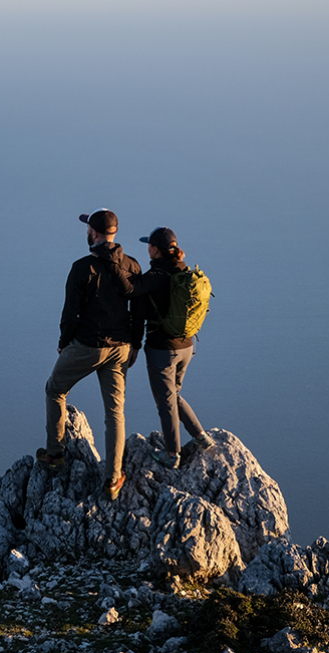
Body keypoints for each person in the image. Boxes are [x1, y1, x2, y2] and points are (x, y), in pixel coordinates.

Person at [39, 208, 143, 500]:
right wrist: (136, 344)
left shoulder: (82, 267)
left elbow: (70, 312)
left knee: (55, 390)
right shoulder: (132, 265)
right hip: (121, 348)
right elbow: (139, 308)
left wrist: (64, 342)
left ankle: (55, 454)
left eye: (88, 228)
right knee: (115, 412)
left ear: (94, 233)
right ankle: (113, 479)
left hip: (89, 346)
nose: (86, 231)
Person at [114, 226, 211, 469]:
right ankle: (201, 437)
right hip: (187, 346)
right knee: (173, 396)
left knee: (165, 402)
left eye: (149, 245)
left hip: (162, 350)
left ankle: (172, 454)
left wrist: (135, 344)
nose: (147, 248)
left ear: (156, 250)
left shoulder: (155, 277)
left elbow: (133, 297)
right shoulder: (184, 272)